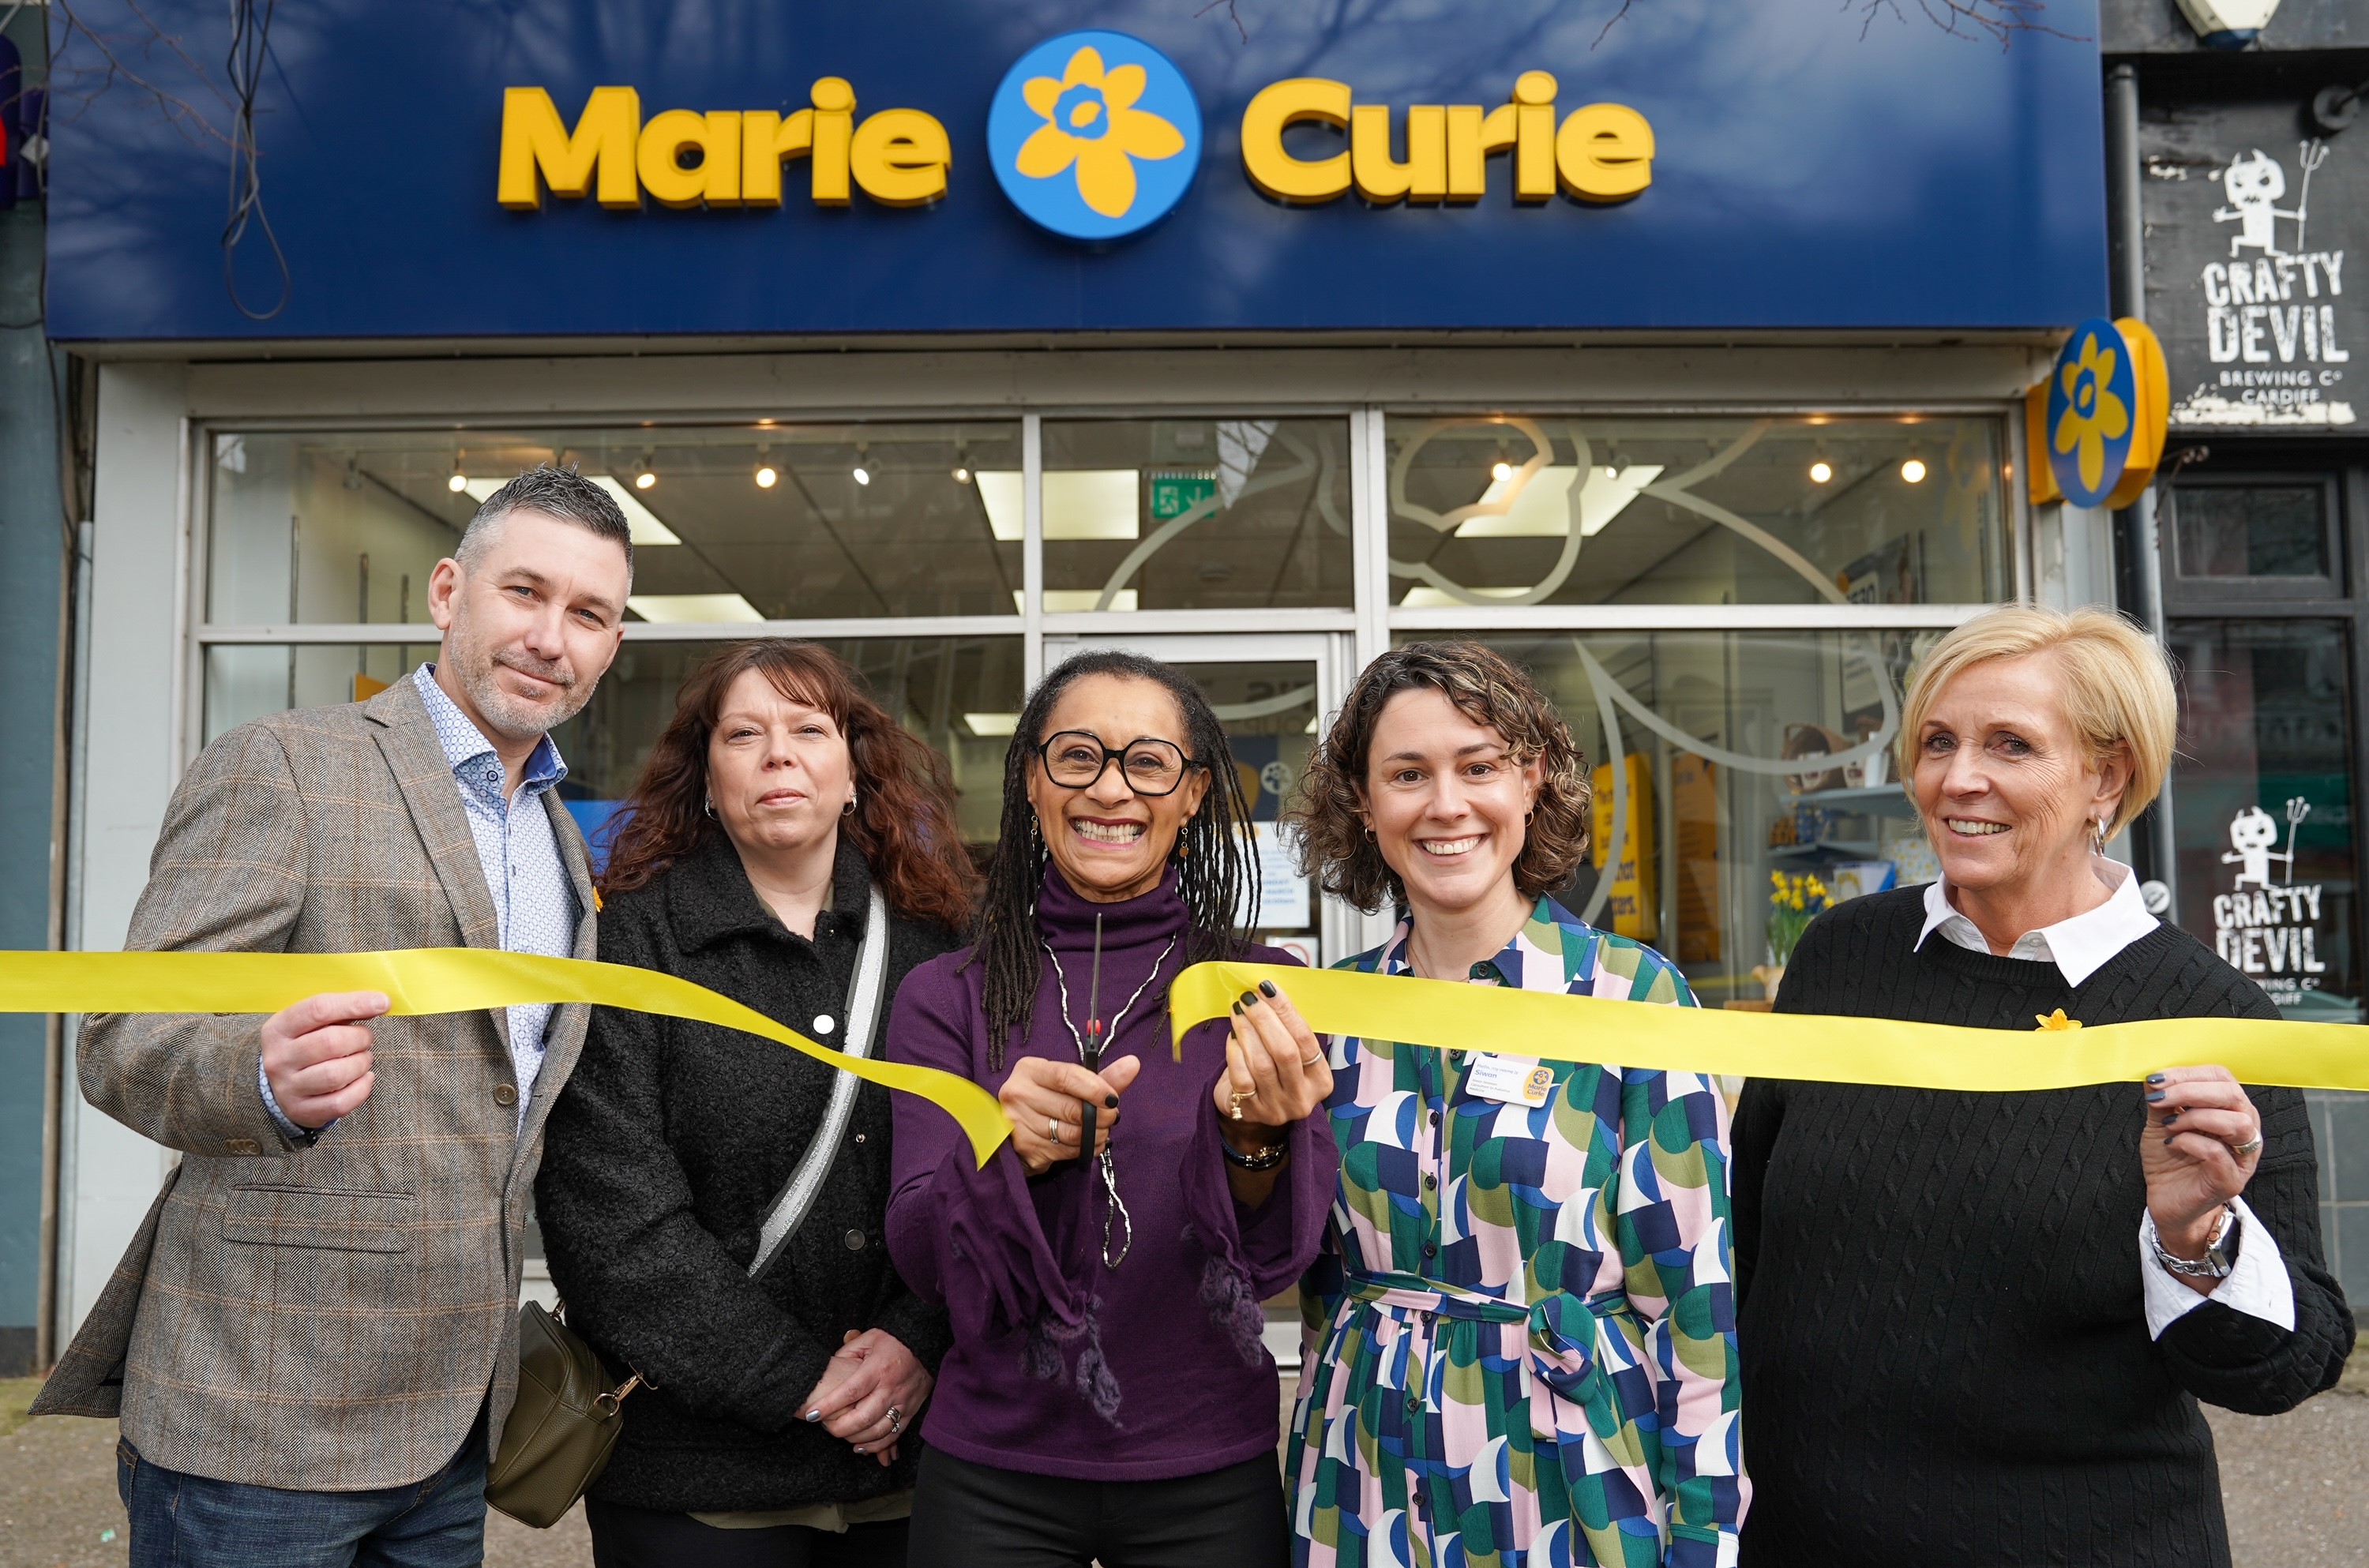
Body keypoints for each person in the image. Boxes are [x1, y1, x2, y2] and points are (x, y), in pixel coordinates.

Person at [36, 467, 634, 1566]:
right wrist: (258, 1078)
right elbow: (121, 1036)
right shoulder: (287, 768)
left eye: (589, 614)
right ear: (449, 591)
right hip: (258, 1412)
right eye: (525, 593)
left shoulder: (560, 838)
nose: (552, 638)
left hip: (453, 1422)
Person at [1732, 606, 2356, 1567]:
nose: (1957, 779)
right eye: (1938, 741)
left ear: (2108, 776)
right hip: (1807, 1536)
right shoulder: (1842, 956)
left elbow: (2289, 1364)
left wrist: (2196, 1241)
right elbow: (1752, 1242)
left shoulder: (2206, 1011)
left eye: (2010, 745)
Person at [1283, 640, 1744, 1568]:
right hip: (1365, 1473)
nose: (1446, 804)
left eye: (1479, 766)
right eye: (1408, 774)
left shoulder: (1628, 997)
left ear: (1532, 783)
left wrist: (1706, 1537)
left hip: (1568, 1477)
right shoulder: (1328, 1014)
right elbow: (1316, 1282)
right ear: (1365, 809)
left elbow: (1694, 1307)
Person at [884, 651, 1338, 1568]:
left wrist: (1254, 1139)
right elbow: (923, 1255)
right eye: (1078, 755)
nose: (1111, 789)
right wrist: (1007, 1158)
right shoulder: (948, 994)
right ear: (1031, 778)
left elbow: (1278, 1262)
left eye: (1148, 762)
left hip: (1207, 1466)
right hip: (994, 1470)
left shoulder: (1260, 990)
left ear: (1196, 792)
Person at [535, 640, 978, 1566]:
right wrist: (808, 1385)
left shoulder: (942, 947)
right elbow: (610, 1225)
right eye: (744, 734)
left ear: (854, 772)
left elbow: (989, 1179)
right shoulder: (628, 947)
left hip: (916, 1471)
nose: (778, 754)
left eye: (809, 729)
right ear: (705, 779)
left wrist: (913, 1344)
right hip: (698, 1486)